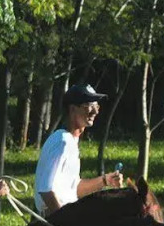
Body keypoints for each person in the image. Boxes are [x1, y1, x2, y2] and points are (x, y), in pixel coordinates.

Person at [34, 82, 125, 215]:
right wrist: (63, 224)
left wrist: (105, 180)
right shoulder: (62, 141)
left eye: (96, 106)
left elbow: (74, 189)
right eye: (88, 106)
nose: (95, 111)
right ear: (72, 109)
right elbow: (45, 190)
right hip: (55, 220)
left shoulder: (70, 141)